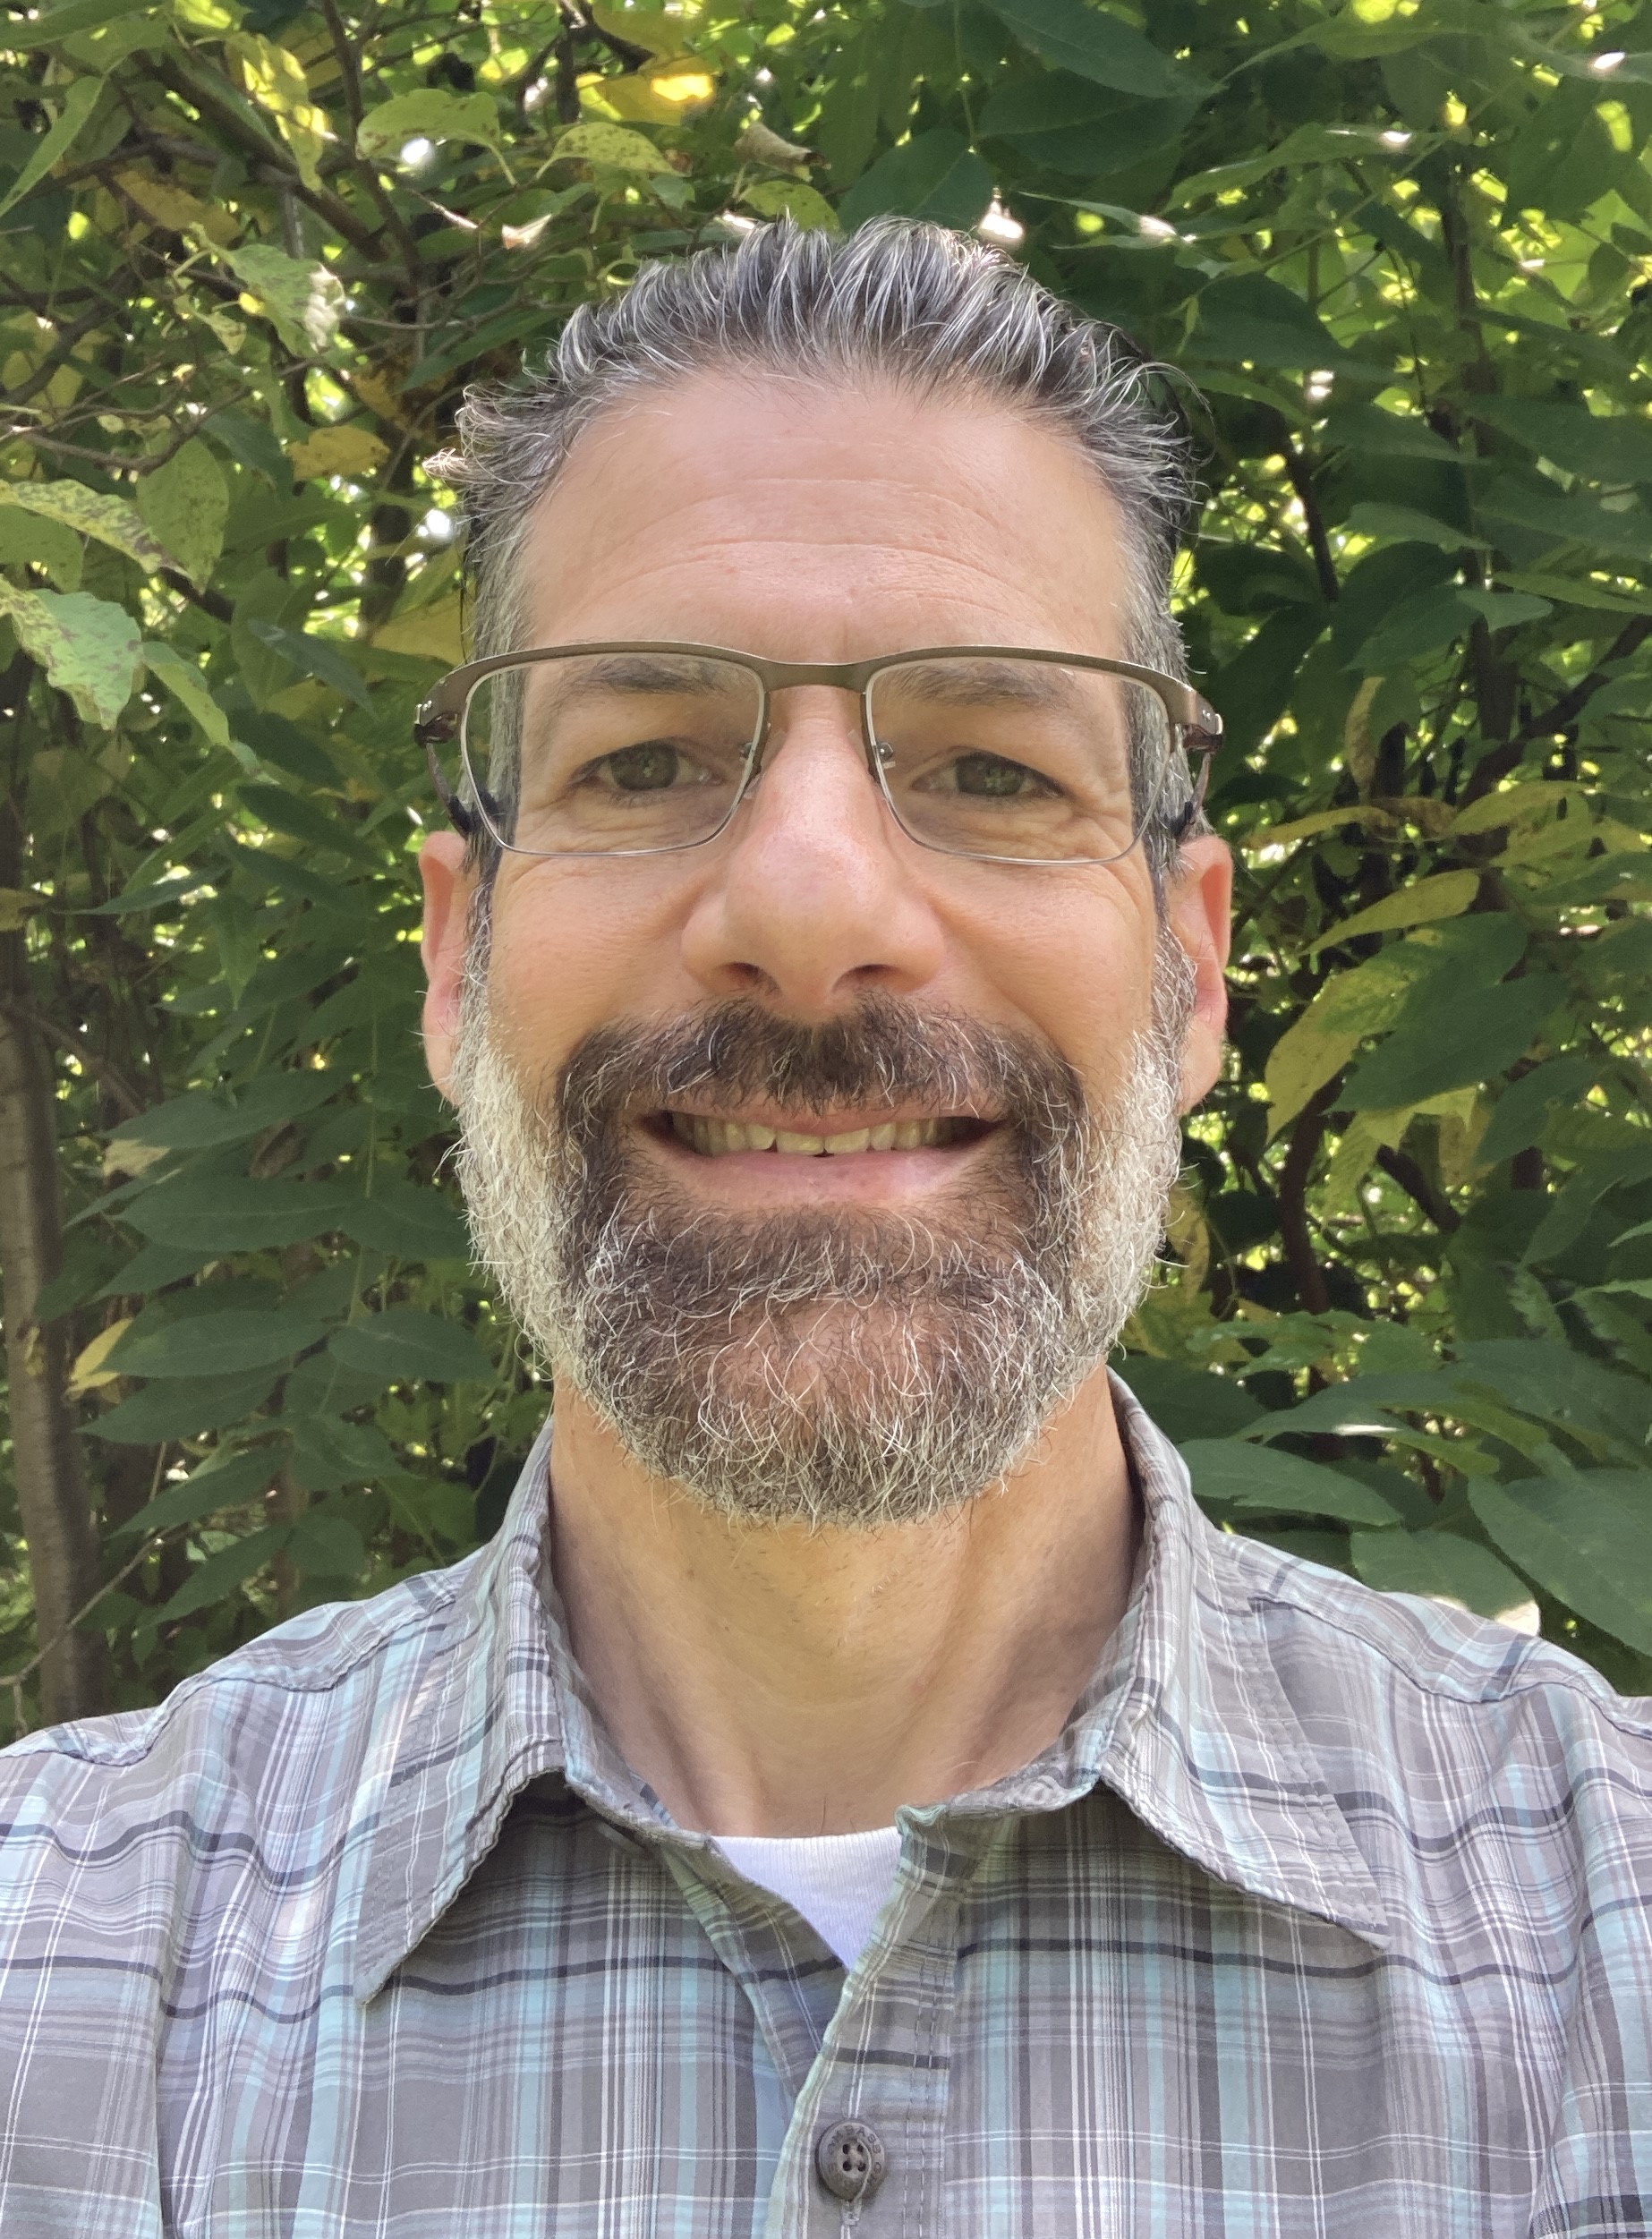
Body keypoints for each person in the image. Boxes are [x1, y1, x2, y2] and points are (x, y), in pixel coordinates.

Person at [0, 218, 1648, 2238]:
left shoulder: (1609, 1934)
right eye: (641, 761)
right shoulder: (55, 1973)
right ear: (453, 968)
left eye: (987, 764)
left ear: (1192, 979)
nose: (805, 905)